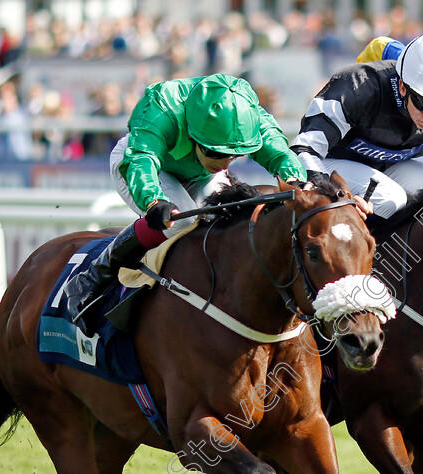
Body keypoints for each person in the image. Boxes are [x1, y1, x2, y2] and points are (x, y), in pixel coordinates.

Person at [65, 73, 311, 327]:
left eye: (234, 155)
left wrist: (294, 180)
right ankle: (95, 275)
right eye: (217, 152)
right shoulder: (161, 107)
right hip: (142, 164)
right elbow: (142, 160)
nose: (226, 163)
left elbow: (279, 152)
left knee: (225, 221)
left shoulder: (244, 113)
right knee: (182, 221)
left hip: (197, 172)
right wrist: (153, 201)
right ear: (194, 132)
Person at [291, 32, 423, 220]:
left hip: (387, 166)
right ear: (403, 87)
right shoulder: (356, 88)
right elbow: (302, 149)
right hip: (329, 163)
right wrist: (329, 193)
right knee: (390, 199)